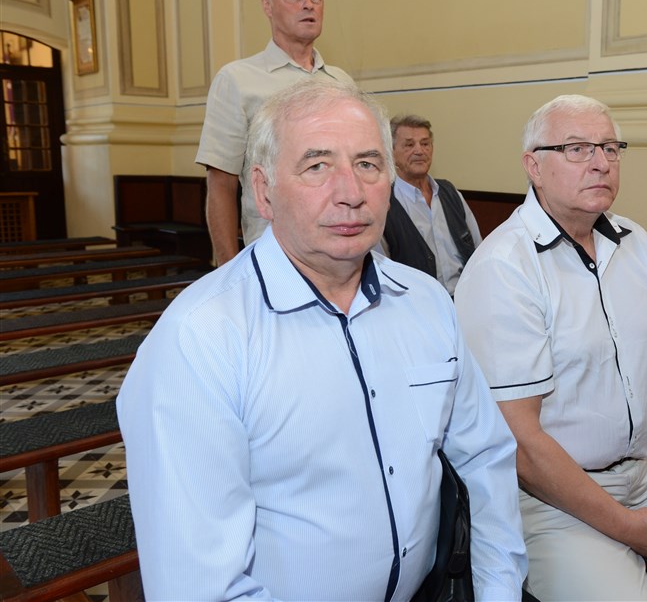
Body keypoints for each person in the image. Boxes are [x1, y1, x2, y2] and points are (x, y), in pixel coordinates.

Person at [118, 79, 527, 600]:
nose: (351, 192)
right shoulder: (201, 337)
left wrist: (498, 592)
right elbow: (200, 586)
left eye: (368, 164)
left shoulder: (426, 302)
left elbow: (485, 460)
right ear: (264, 191)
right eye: (317, 166)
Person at [455, 95, 647, 601]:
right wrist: (630, 529)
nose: (600, 162)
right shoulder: (504, 268)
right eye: (577, 148)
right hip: (550, 499)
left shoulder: (639, 245)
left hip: (645, 474)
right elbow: (522, 445)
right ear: (533, 166)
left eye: (610, 147)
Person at [195, 0, 354, 266]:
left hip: (343, 251)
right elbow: (221, 184)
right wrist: (228, 270)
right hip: (276, 257)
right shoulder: (238, 80)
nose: (308, 4)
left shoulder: (342, 82)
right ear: (267, 5)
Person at [381, 114, 481, 296]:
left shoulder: (451, 193)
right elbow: (382, 270)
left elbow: (478, 248)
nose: (419, 151)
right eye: (409, 145)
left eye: (425, 143)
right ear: (391, 152)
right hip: (416, 304)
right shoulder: (384, 203)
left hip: (465, 297)